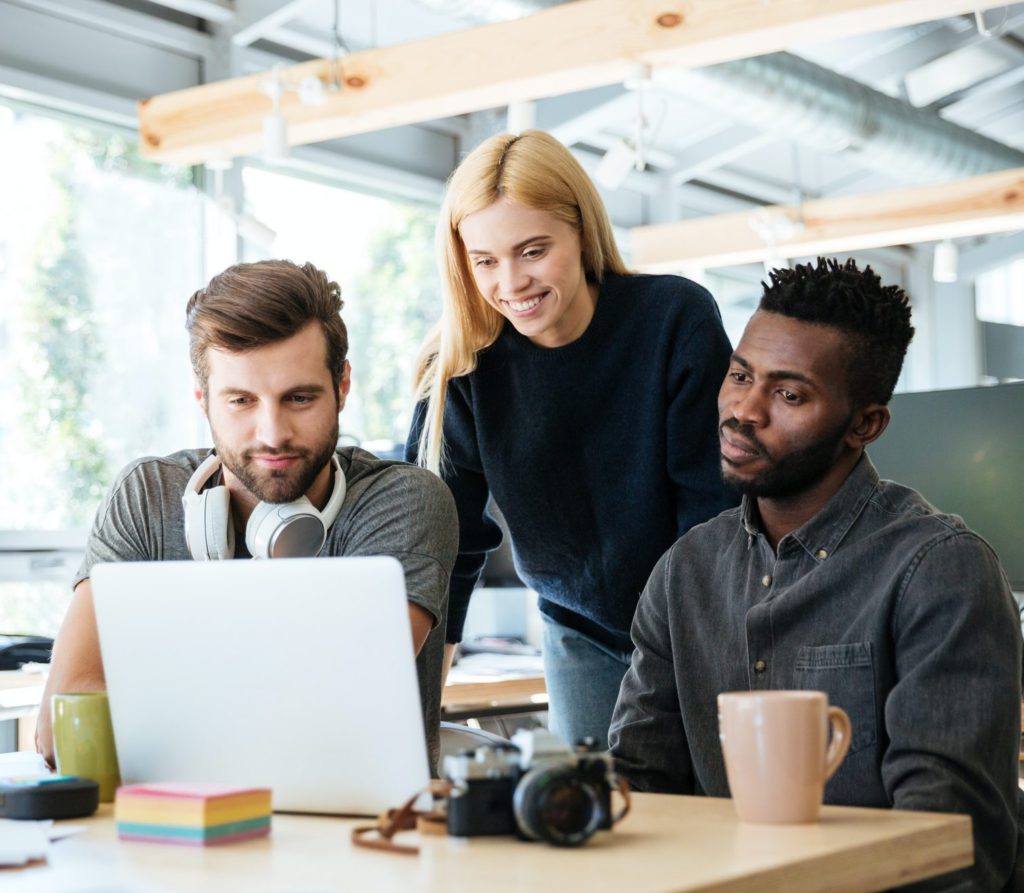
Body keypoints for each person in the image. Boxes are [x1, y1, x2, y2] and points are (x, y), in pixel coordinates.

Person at [609, 257, 1023, 892]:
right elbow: (640, 787)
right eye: (739, 375)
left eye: (789, 394)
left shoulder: (940, 571)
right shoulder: (684, 572)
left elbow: (951, 848)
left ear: (865, 425)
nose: (744, 410)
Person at [37, 260, 457, 772]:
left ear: (343, 386)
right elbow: (66, 726)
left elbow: (331, 723)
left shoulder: (403, 501)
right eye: (241, 401)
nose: (272, 433)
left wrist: (149, 699)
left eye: (299, 398)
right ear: (203, 400)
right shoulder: (147, 496)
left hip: (359, 839)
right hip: (169, 830)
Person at [406, 130, 736, 748]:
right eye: (484, 260)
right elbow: (442, 548)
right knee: (599, 829)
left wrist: (684, 663)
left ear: (581, 230)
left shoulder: (673, 318)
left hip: (699, 620)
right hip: (578, 631)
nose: (511, 283)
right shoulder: (457, 368)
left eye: (532, 250)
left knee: (706, 820)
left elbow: (712, 515)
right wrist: (412, 714)